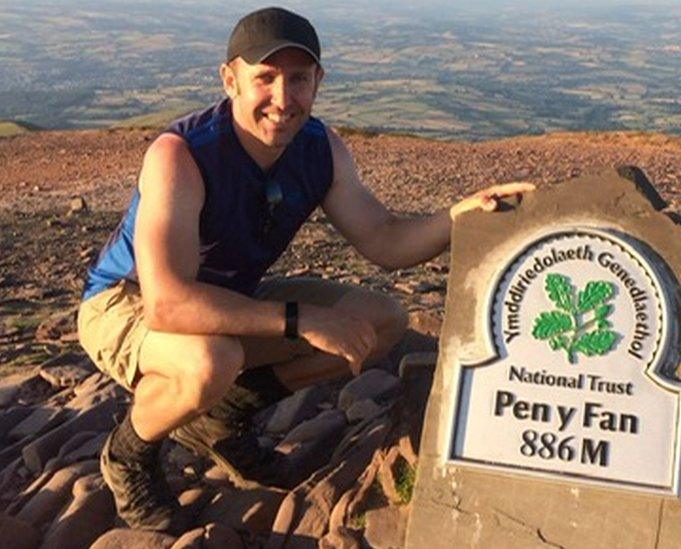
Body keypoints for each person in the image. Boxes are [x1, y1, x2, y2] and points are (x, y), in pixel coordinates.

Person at [76, 6, 533, 533]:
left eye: (299, 79)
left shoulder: (320, 149)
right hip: (125, 301)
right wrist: (299, 320)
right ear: (230, 80)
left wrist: (459, 215)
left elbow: (383, 238)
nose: (283, 98)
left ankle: (221, 417)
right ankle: (129, 455)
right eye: (264, 78)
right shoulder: (183, 155)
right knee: (210, 359)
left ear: (319, 81)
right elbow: (169, 303)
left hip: (226, 299)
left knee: (383, 319)